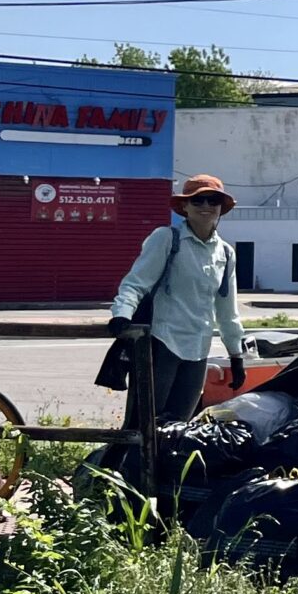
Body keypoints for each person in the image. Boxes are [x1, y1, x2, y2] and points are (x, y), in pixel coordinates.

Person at [111, 173, 246, 426]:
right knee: (142, 426)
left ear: (221, 208)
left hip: (199, 348)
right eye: (198, 201)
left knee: (178, 428)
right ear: (184, 206)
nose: (206, 207)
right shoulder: (166, 238)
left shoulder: (226, 253)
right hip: (162, 343)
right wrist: (122, 314)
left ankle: (163, 467)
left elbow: (227, 310)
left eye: (213, 201)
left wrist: (236, 356)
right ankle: (124, 467)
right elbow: (135, 283)